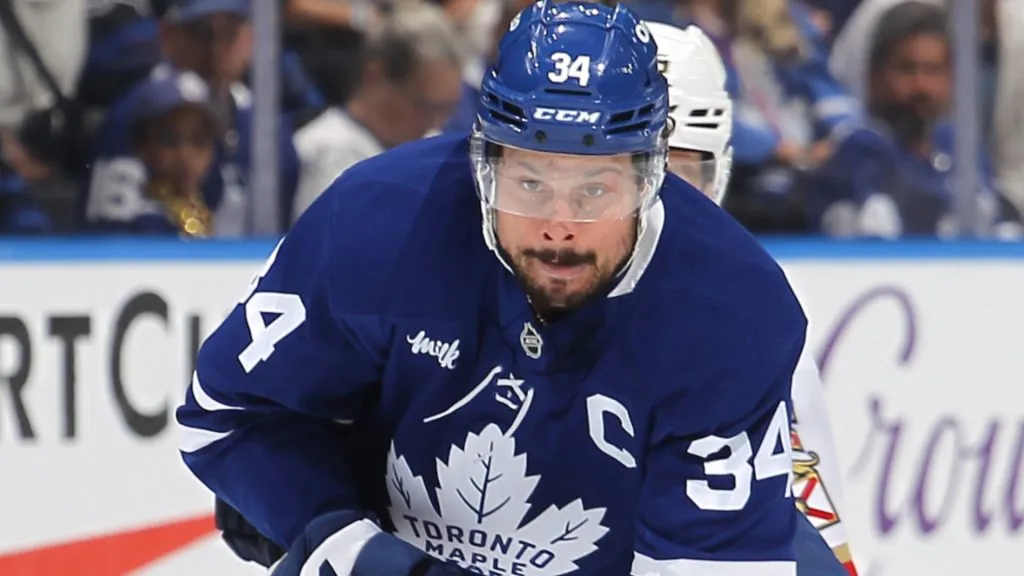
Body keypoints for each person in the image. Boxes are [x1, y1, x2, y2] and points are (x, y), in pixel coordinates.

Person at [176, 2, 808, 575]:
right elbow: (226, 417)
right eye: (530, 184)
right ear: (484, 166)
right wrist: (337, 538)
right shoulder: (377, 224)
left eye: (595, 190)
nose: (559, 227)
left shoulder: (733, 313)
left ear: (650, 178)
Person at [648, 20, 857, 575]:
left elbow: (815, 534)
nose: (657, 205)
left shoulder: (755, 310)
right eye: (633, 174)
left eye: (678, 173)